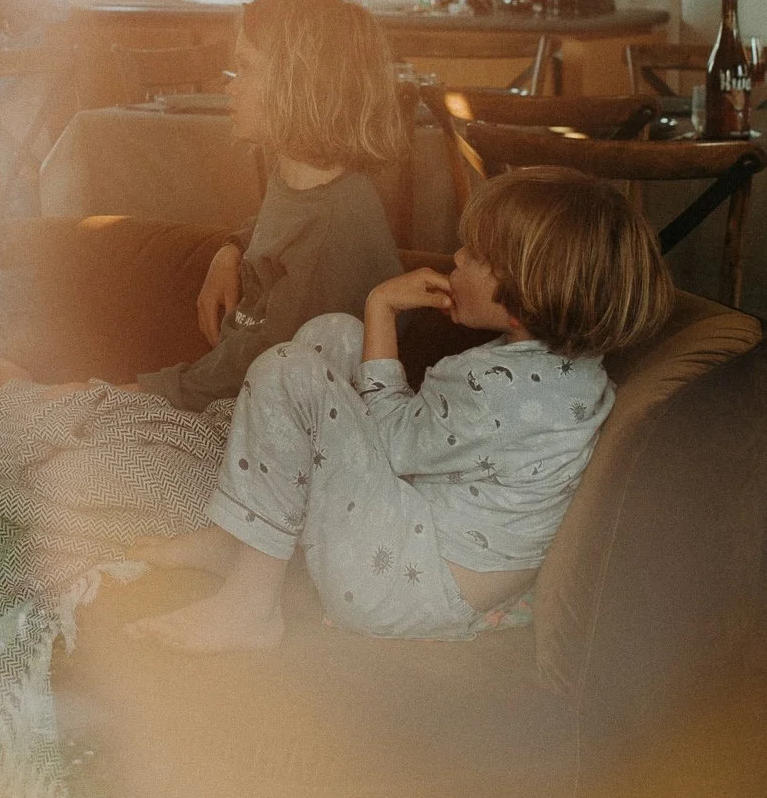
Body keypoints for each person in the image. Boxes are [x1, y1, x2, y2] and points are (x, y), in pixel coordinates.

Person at [127, 166, 673, 649]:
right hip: (424, 556)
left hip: (399, 583)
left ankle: (249, 608)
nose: (455, 258)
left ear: (520, 298)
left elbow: (391, 445)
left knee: (288, 370)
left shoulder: (499, 387)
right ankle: (236, 539)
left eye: (476, 257)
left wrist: (381, 304)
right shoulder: (562, 375)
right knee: (332, 334)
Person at [0, 0, 407, 405]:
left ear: (297, 86)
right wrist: (231, 248)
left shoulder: (336, 232)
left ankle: (36, 403)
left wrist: (111, 397)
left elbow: (244, 376)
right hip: (233, 399)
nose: (230, 87)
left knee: (46, 420)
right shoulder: (305, 181)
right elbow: (285, 226)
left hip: (253, 421)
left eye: (246, 68)